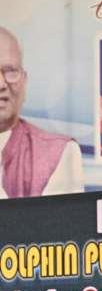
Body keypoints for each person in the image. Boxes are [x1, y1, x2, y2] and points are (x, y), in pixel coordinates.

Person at [0, 26, 83, 198]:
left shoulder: (59, 152)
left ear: (24, 81)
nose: (1, 84)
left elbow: (58, 215)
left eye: (10, 71)